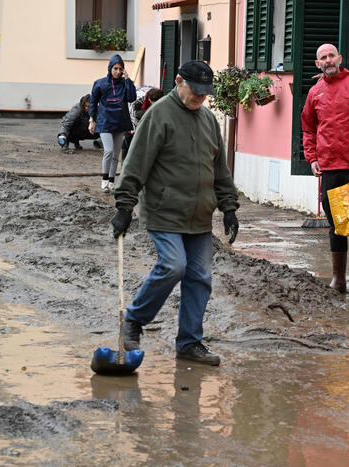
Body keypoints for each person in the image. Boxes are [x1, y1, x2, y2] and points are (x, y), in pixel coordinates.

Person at [110, 60, 240, 366]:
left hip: (199, 217)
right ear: (179, 81)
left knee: (200, 277)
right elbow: (135, 163)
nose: (199, 99)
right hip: (164, 211)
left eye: (204, 95)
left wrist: (229, 208)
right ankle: (134, 320)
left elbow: (219, 170)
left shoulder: (208, 119)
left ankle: (189, 343)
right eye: (195, 92)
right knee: (173, 266)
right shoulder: (158, 115)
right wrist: (125, 206)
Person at [301, 43, 349, 296]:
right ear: (318, 64)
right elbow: (308, 127)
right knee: (337, 224)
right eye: (323, 58)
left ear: (339, 58)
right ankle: (338, 279)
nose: (328, 60)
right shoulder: (315, 92)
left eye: (331, 56)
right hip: (329, 167)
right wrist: (311, 158)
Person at [89, 54, 137, 192]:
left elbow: (131, 98)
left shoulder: (124, 83)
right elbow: (93, 103)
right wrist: (91, 120)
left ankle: (111, 181)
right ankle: (104, 180)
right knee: (108, 151)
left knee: (116, 154)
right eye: (115, 68)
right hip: (105, 121)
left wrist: (128, 80)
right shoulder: (100, 83)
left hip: (120, 121)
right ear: (110, 68)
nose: (117, 71)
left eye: (120, 69)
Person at [122, 87, 164, 160]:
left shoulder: (159, 98)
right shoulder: (137, 103)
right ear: (149, 99)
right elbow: (134, 117)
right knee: (129, 148)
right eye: (153, 103)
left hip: (141, 124)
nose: (155, 105)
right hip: (131, 124)